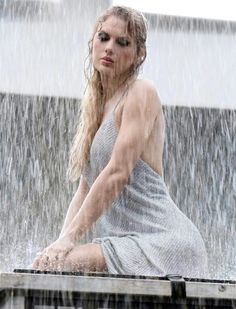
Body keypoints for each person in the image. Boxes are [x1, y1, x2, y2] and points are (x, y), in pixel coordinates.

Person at [32, 5, 208, 278]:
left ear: (139, 55)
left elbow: (118, 172)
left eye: (122, 42)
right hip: (125, 241)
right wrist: (61, 242)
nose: (109, 48)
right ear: (93, 43)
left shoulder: (141, 92)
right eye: (103, 38)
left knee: (61, 266)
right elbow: (84, 190)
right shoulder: (98, 109)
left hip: (165, 241)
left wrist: (68, 243)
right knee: (48, 264)